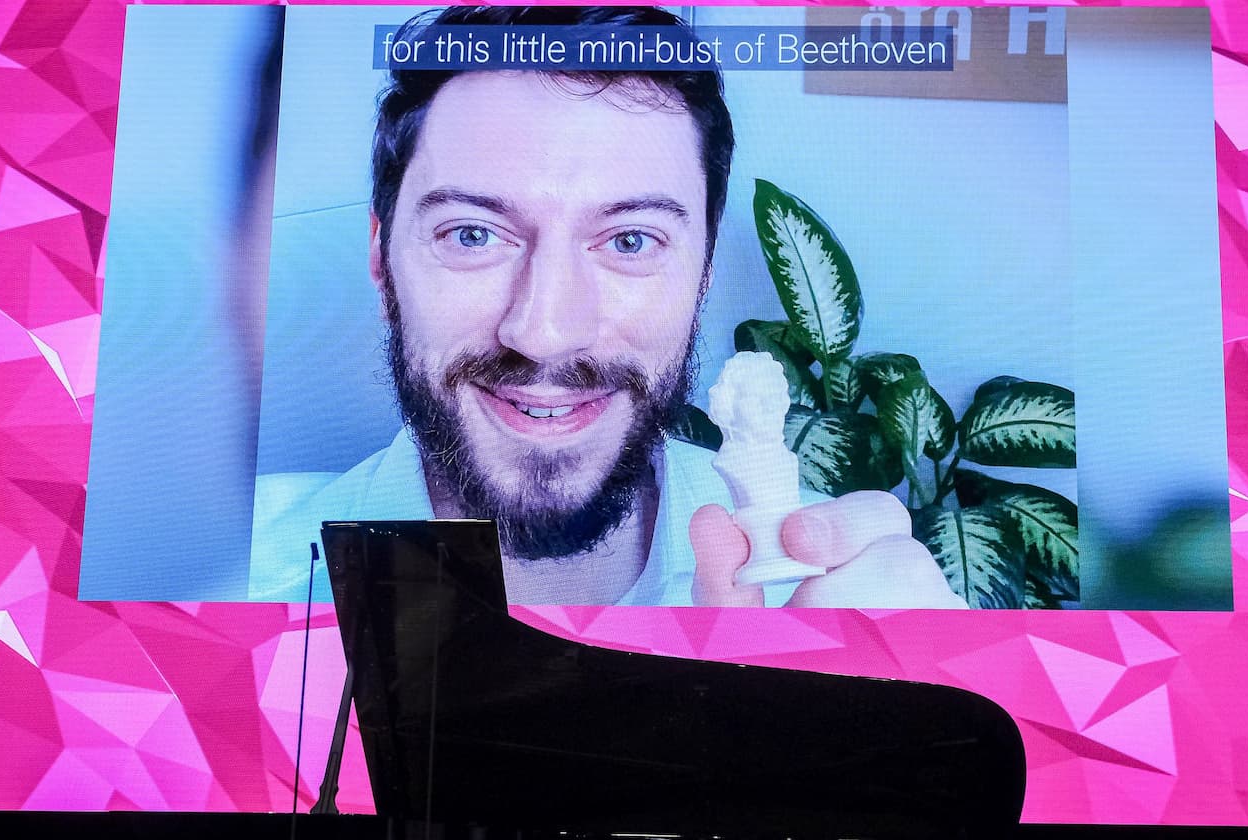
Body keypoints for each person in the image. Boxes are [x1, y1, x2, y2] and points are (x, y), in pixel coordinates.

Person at [258, 5, 964, 609]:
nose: (544, 334)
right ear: (382, 262)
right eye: (472, 234)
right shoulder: (225, 580)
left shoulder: (814, 586)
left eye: (630, 240)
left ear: (704, 274)